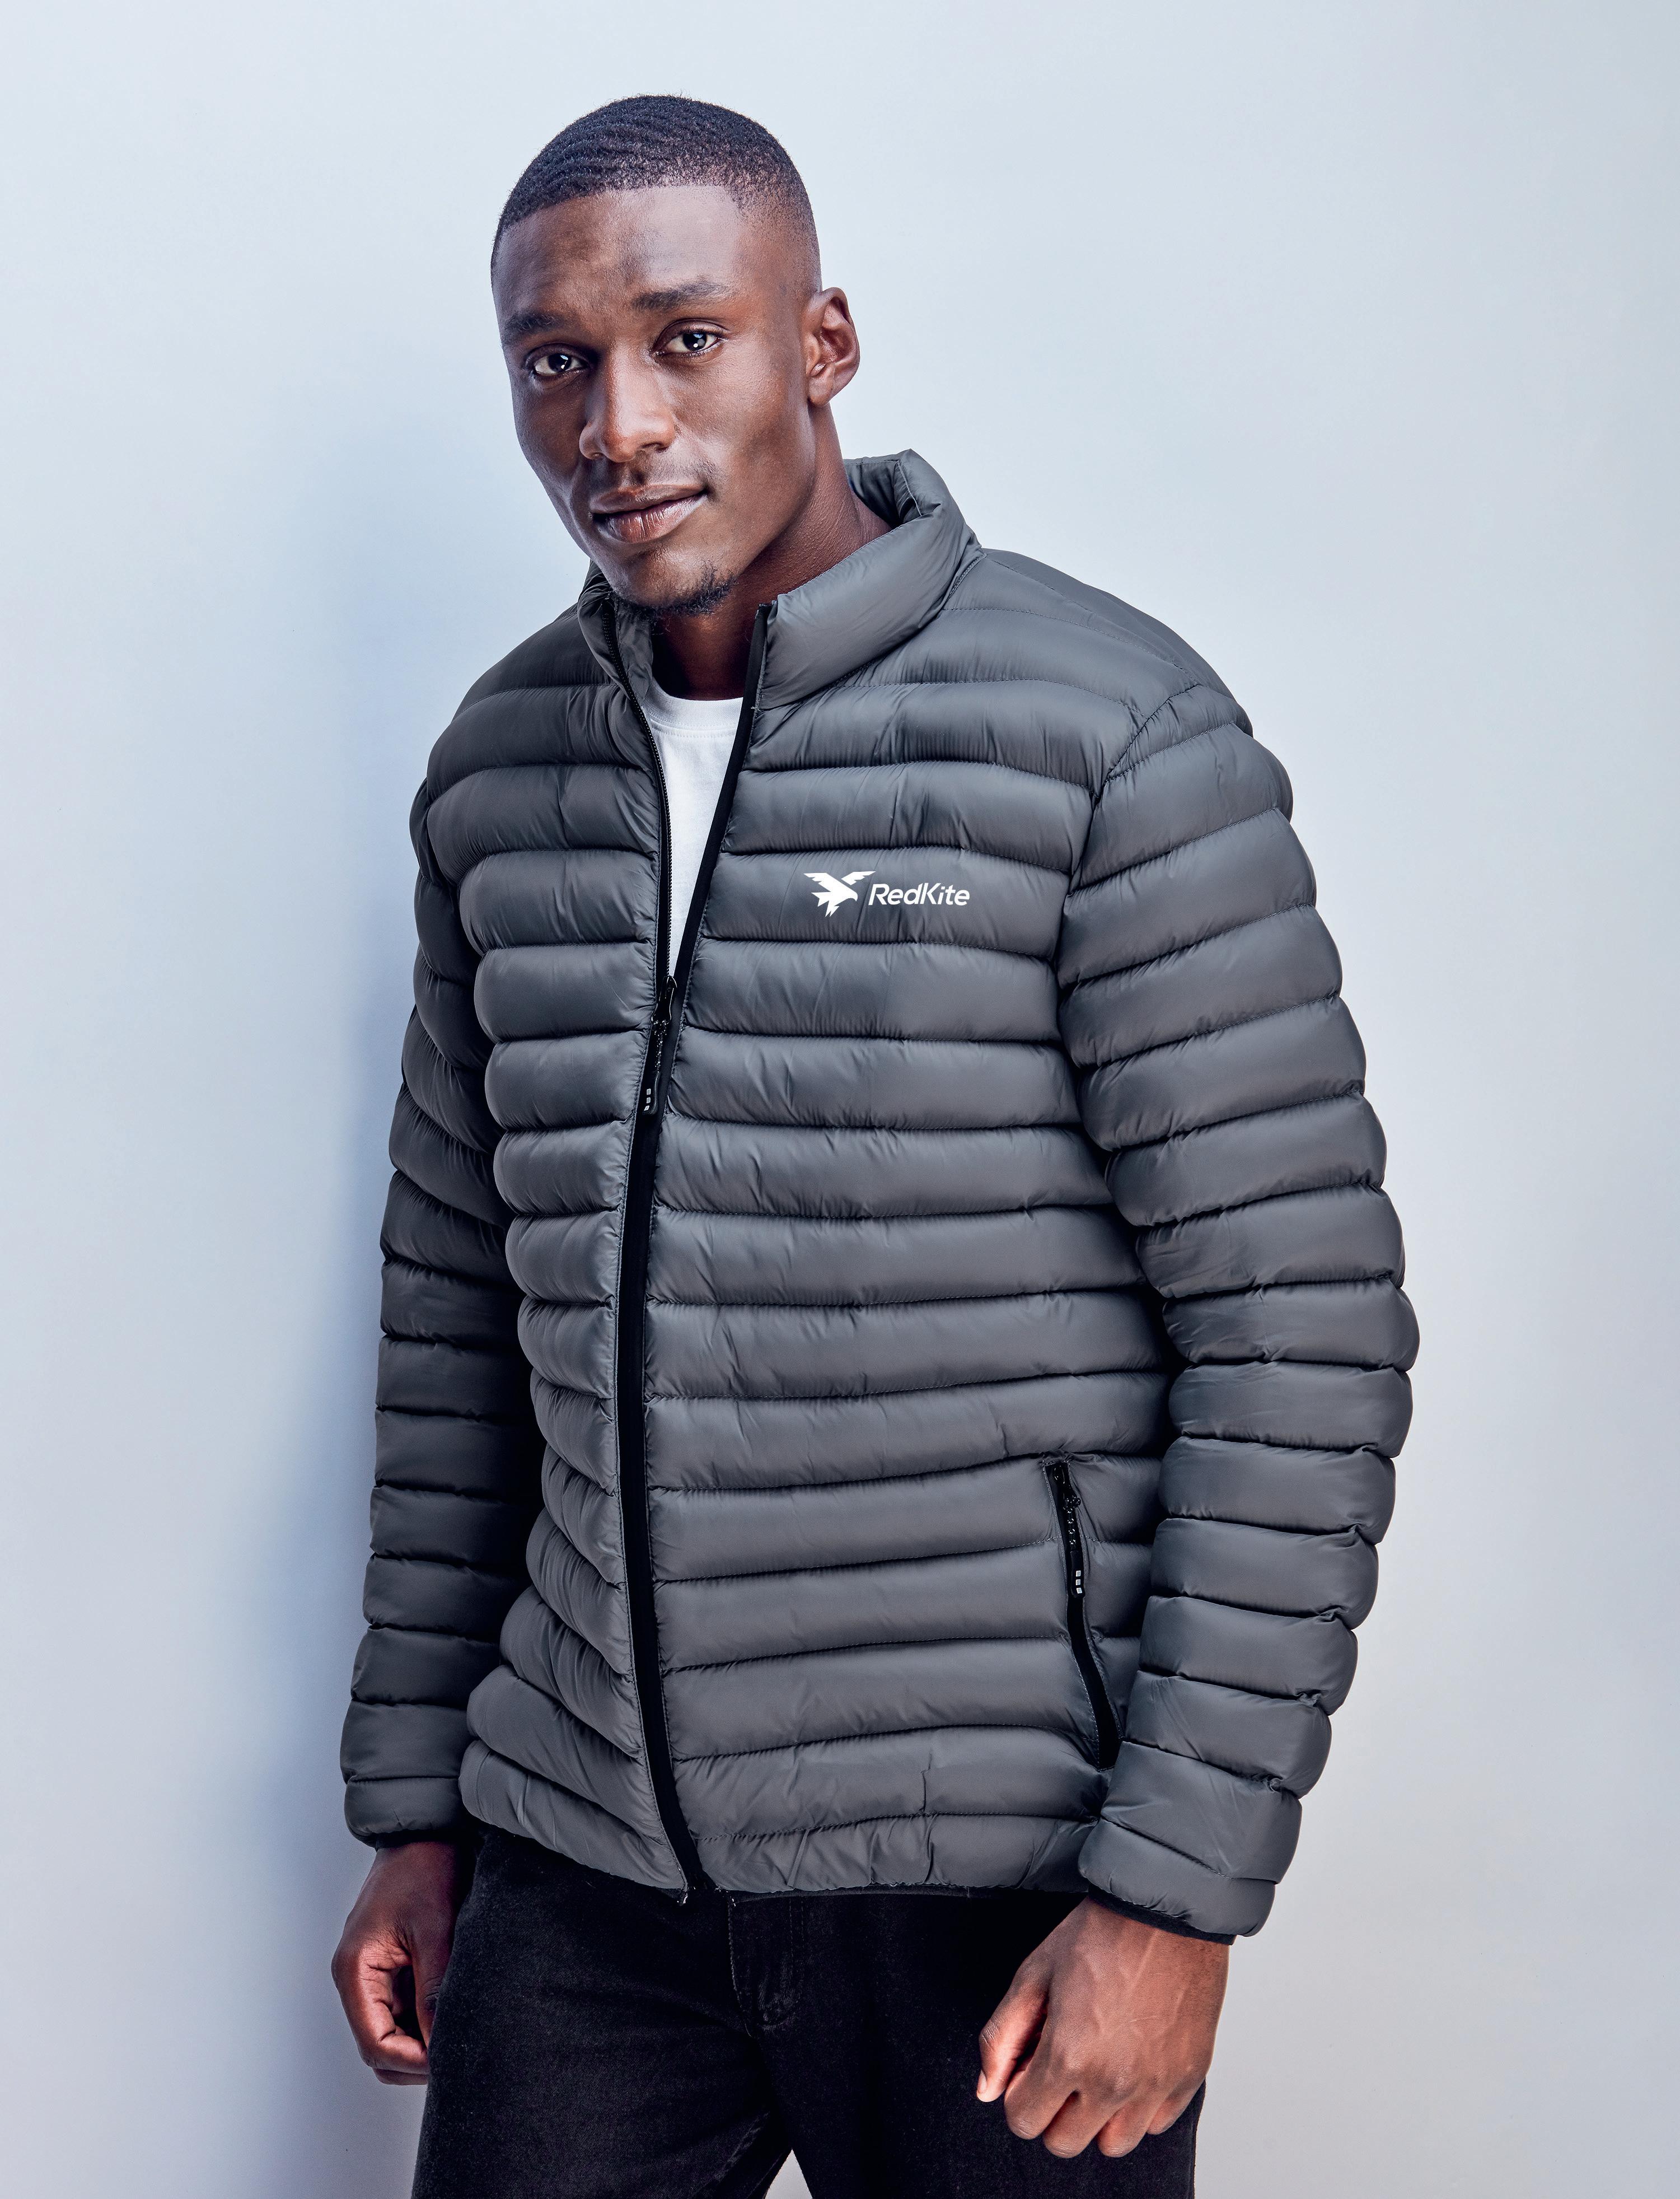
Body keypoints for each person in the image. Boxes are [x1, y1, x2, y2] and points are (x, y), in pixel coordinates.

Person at [331, 95, 1415, 2198]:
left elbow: (1300, 1338)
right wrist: (420, 1810)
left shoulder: (1100, 736)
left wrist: (1175, 1892)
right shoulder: (501, 770)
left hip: (998, 1880)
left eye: (685, 339)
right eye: (554, 362)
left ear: (819, 343)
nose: (616, 425)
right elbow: (457, 1329)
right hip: (582, 1868)